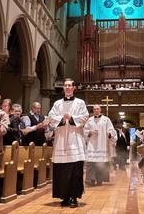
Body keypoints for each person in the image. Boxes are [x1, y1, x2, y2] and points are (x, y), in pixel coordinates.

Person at [48, 78, 89, 208]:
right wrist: (61, 118)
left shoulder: (80, 102)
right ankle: (64, 197)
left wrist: (71, 119)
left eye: (69, 85)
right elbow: (50, 116)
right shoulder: (57, 103)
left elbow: (85, 117)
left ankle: (74, 197)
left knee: (75, 170)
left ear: (74, 88)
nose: (67, 88)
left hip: (75, 140)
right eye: (65, 86)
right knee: (62, 171)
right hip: (61, 141)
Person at [84, 105, 117, 186]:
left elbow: (112, 131)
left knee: (101, 163)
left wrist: (109, 134)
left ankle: (100, 180)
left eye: (97, 109)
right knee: (91, 162)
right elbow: (84, 131)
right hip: (92, 144)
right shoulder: (89, 120)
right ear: (93, 110)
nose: (96, 110)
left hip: (102, 144)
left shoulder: (106, 120)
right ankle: (91, 179)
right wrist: (91, 132)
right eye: (94, 109)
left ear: (100, 110)